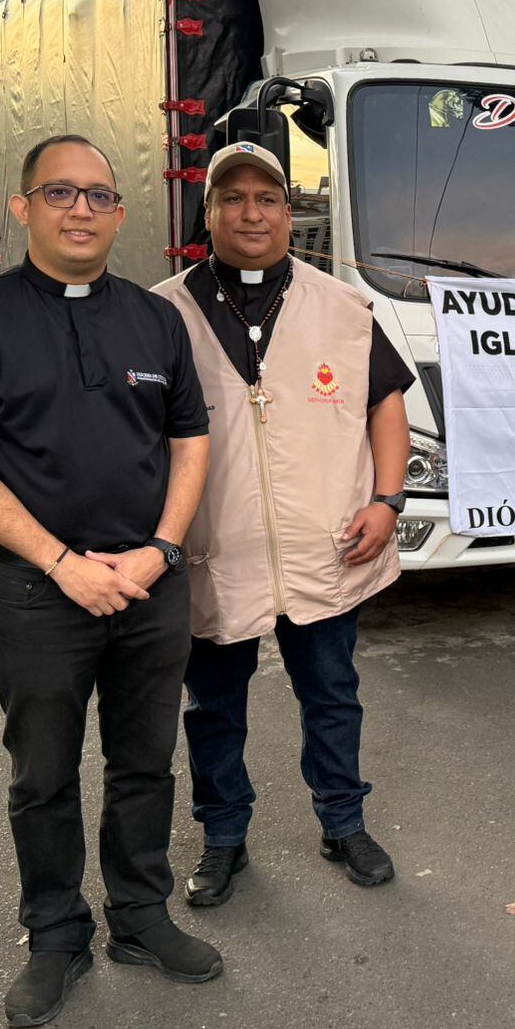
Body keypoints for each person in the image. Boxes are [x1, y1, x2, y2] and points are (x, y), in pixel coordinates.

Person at [0, 135, 220, 1028]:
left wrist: (161, 550)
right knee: (41, 775)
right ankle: (54, 935)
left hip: (147, 584)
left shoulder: (154, 319)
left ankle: (138, 914)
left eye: (98, 195)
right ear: (22, 208)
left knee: (145, 762)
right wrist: (61, 564)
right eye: (60, 193)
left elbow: (190, 441)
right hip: (37, 593)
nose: (81, 210)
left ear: (120, 212)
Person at [152, 142, 413, 907]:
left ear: (289, 212)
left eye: (267, 197)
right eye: (232, 198)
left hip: (324, 545)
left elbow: (385, 404)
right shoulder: (164, 312)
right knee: (213, 708)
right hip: (213, 552)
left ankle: (343, 821)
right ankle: (223, 838)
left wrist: (387, 502)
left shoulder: (341, 306)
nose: (252, 212)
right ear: (208, 216)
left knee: (332, 694)